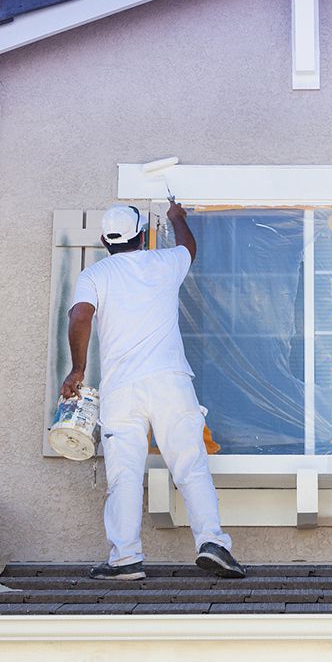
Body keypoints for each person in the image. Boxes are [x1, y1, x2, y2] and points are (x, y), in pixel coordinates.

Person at [60, 202, 245, 580]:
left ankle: (125, 559)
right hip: (170, 383)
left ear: (102, 242)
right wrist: (177, 219)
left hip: (122, 391)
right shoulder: (164, 263)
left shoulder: (94, 275)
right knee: (190, 466)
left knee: (124, 476)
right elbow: (188, 248)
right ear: (142, 236)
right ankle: (213, 543)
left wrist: (77, 370)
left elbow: (80, 316)